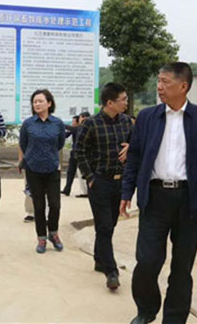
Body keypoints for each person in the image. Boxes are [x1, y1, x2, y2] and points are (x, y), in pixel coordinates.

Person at [120, 62, 197, 324]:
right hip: (155, 198)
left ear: (183, 86)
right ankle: (146, 310)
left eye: (165, 82)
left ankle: (174, 319)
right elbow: (134, 157)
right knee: (147, 261)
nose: (159, 87)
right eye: (158, 81)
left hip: (189, 201)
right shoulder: (147, 117)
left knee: (182, 267)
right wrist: (126, 192)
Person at [75, 83, 132, 291]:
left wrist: (131, 147)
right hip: (100, 182)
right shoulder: (91, 124)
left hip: (120, 182)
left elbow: (137, 143)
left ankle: (100, 259)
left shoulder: (126, 122)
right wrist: (90, 178)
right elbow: (79, 151)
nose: (126, 103)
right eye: (123, 99)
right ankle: (111, 271)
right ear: (110, 103)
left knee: (110, 225)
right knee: (105, 226)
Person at [19, 89, 66, 253]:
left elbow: (60, 143)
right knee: (38, 206)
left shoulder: (57, 123)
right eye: (34, 102)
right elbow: (23, 144)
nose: (37, 104)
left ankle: (53, 233)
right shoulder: (28, 124)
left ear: (49, 103)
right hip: (33, 170)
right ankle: (41, 238)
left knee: (55, 204)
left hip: (52, 168)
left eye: (40, 101)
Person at [62, 111, 91, 197]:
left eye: (74, 121)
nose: (73, 123)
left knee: (83, 173)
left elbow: (70, 128)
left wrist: (59, 124)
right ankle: (67, 189)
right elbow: (66, 134)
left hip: (83, 154)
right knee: (70, 172)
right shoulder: (76, 128)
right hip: (74, 153)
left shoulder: (84, 127)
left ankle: (86, 192)